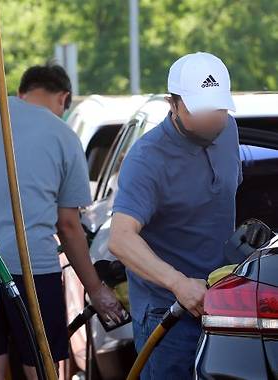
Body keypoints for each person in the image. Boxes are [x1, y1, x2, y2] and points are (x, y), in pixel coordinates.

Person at [0, 63, 126, 379]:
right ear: (63, 98)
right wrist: (95, 288)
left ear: (22, 92)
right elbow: (67, 225)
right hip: (35, 271)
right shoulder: (64, 137)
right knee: (41, 368)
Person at [108, 52, 241, 379]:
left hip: (224, 307)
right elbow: (120, 238)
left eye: (220, 109)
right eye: (202, 110)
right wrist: (178, 283)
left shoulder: (229, 131)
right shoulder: (147, 159)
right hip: (167, 314)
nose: (214, 118)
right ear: (173, 104)